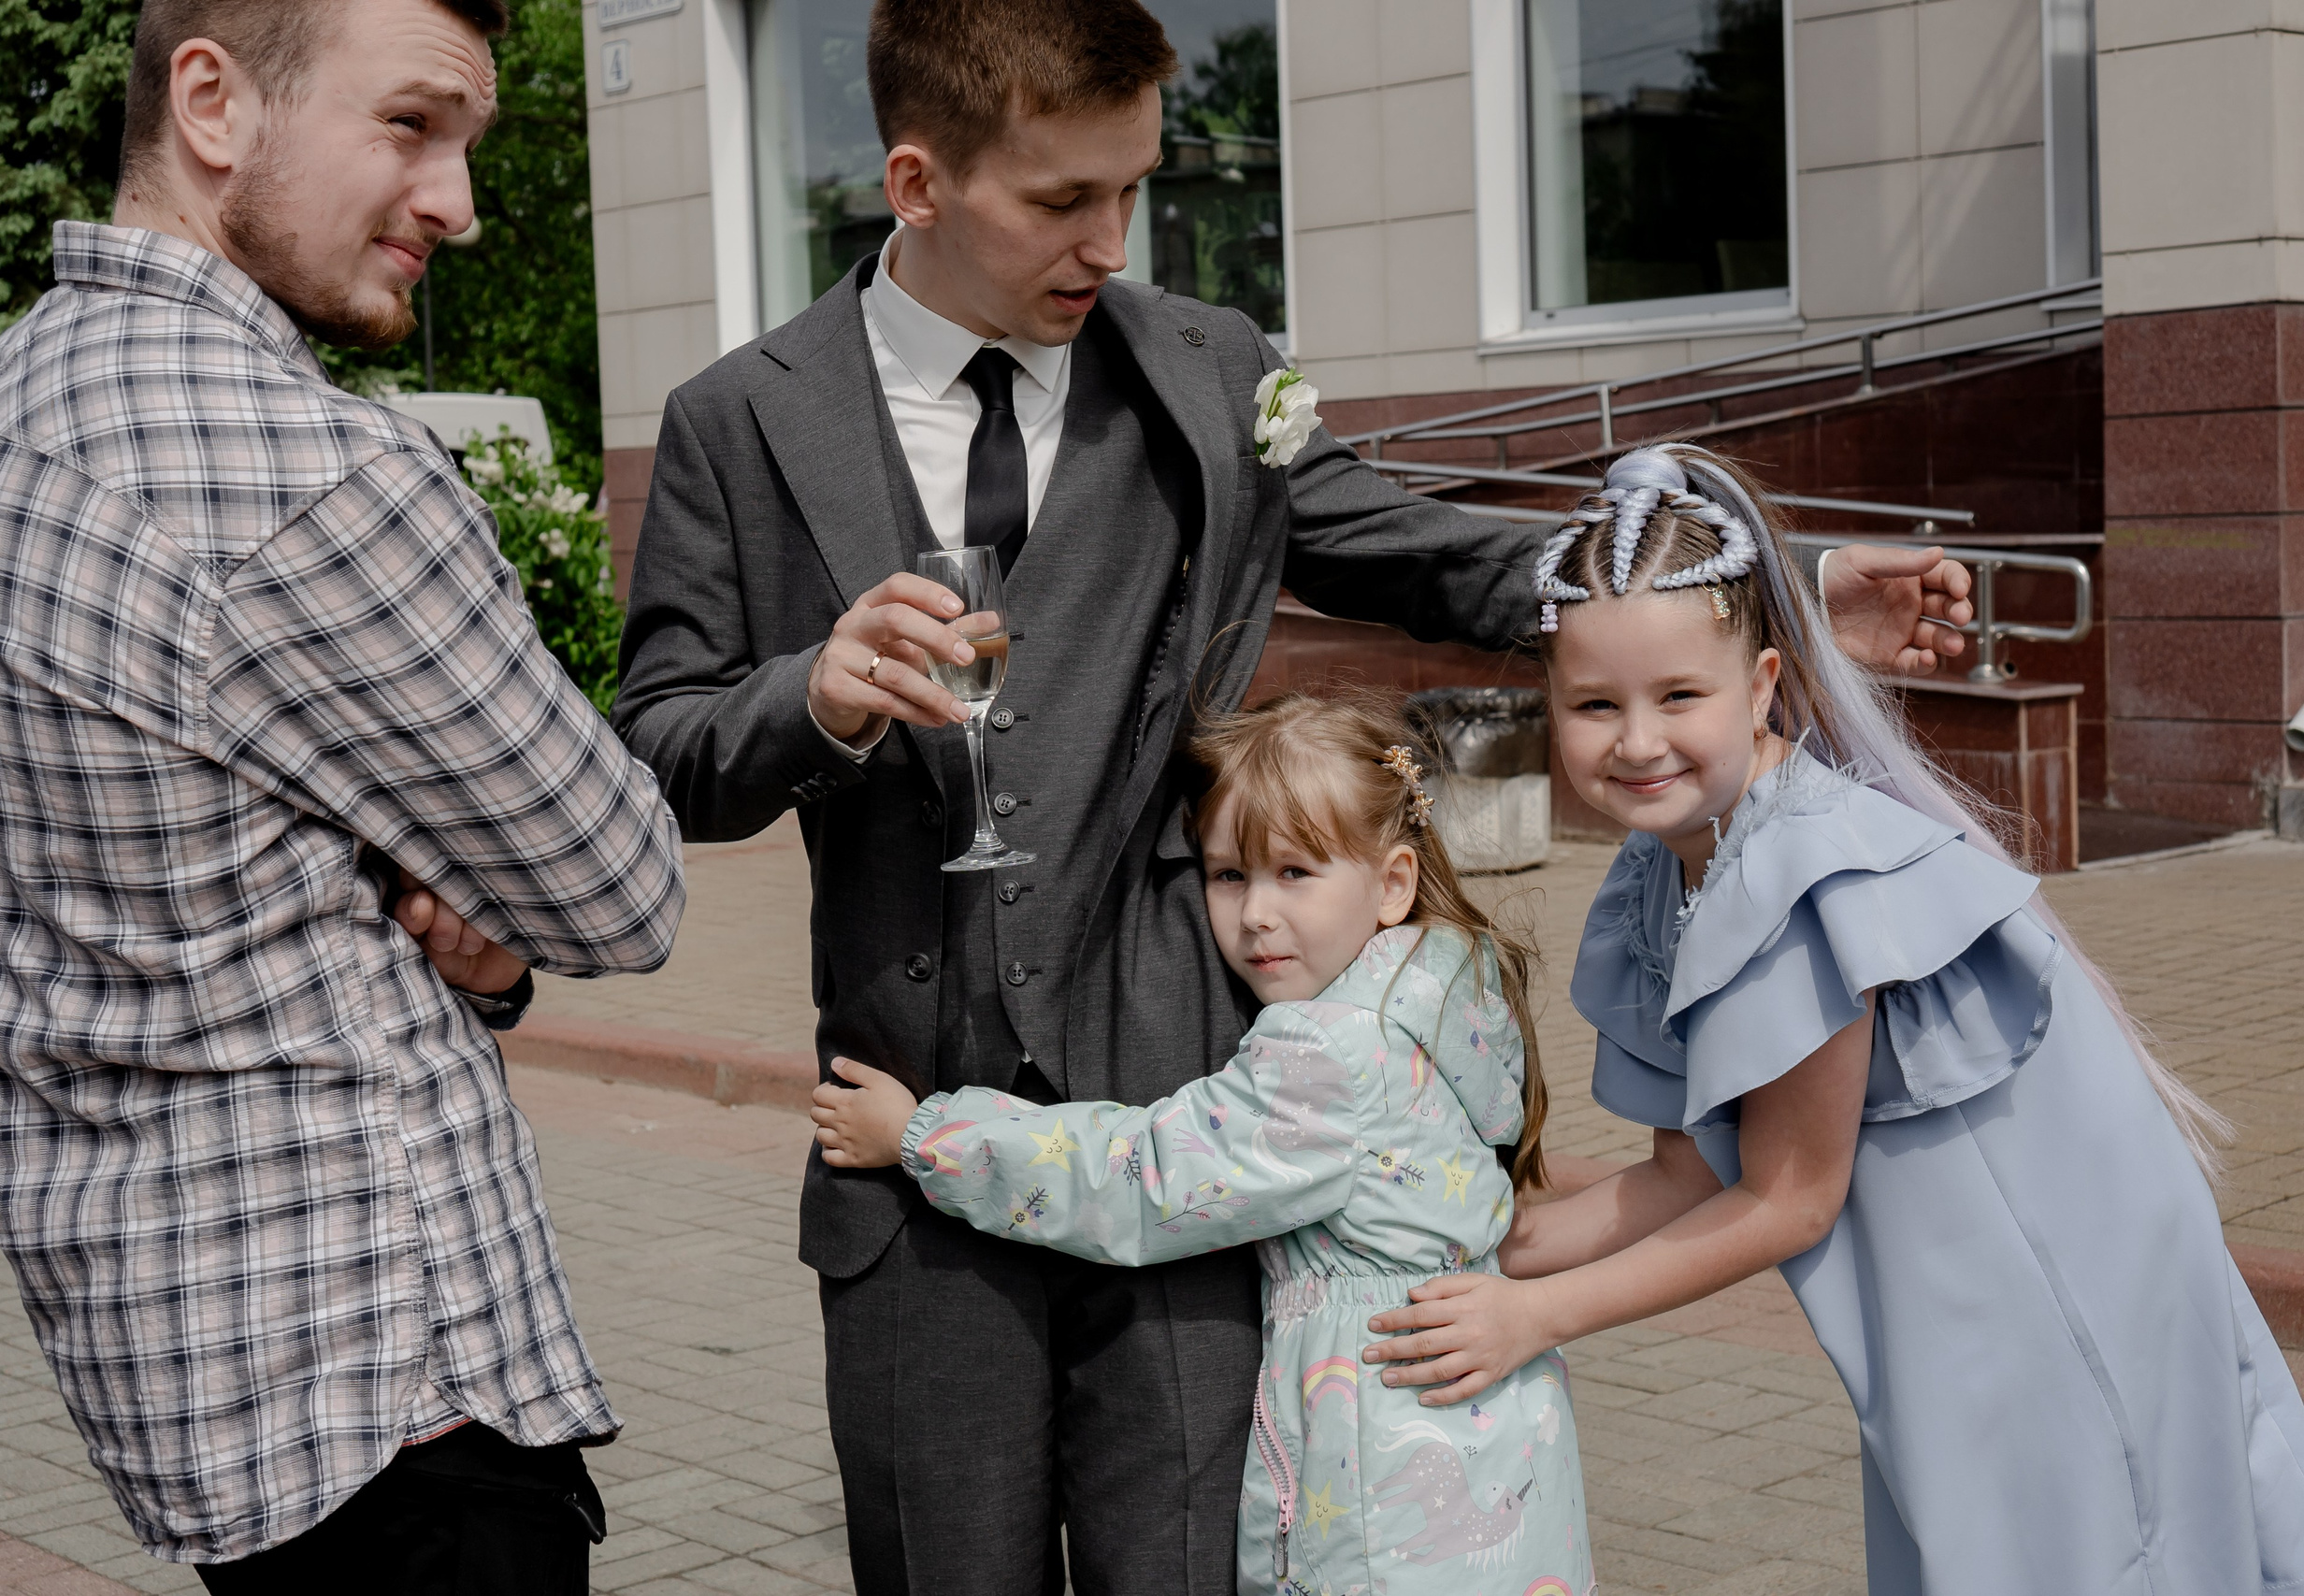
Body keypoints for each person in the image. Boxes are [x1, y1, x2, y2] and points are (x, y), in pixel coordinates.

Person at [612, 0, 1974, 1586]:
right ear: (916, 183)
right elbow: (661, 746)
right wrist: (813, 698)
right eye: (1064, 200)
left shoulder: (1210, 371)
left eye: (1132, 188)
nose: (1110, 241)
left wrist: (1778, 594)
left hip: (1199, 1128)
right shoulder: (737, 418)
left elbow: (1419, 547)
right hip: (911, 1160)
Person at [0, 0, 686, 1589]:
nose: (458, 202)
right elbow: (626, 886)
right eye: (412, 124)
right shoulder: (313, 475)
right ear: (213, 101)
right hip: (390, 1400)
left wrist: (457, 926)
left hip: (179, 1373)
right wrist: (488, 924)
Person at [1357, 445, 2304, 1592]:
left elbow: (1785, 1201)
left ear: (1761, 685)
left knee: (2079, 1541)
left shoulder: (1801, 870)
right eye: (1593, 705)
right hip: (1942, 1296)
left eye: (1678, 697)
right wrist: (1436, 1236)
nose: (1637, 741)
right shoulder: (1667, 869)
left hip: (2049, 1279)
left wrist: (1531, 1314)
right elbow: (1685, 1178)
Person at [812, 691, 1593, 1594]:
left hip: (1384, 1485)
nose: (1257, 913)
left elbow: (1142, 1178)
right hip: (1497, 1458)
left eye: (1294, 872)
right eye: (1228, 875)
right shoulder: (1444, 998)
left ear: (1393, 883)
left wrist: (924, 1135)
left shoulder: (1327, 1053)